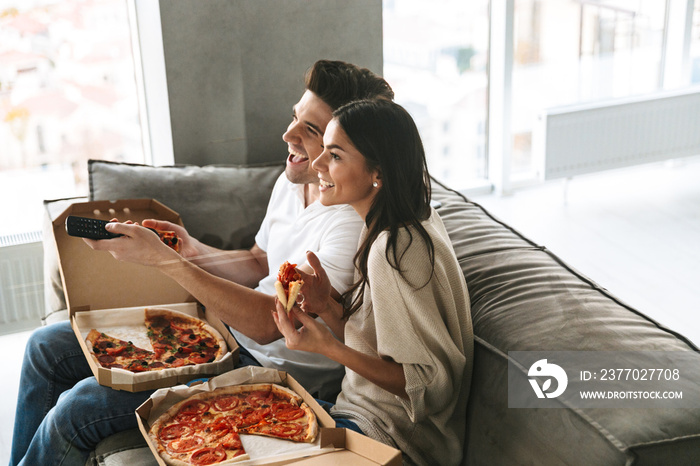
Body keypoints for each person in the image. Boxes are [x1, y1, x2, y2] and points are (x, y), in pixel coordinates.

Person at [10, 60, 394, 466]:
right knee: (44, 347)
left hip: (269, 371)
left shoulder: (349, 225)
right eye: (294, 118)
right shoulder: (292, 181)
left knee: (78, 408)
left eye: (310, 131)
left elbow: (270, 325)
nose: (287, 135)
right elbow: (258, 259)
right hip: (221, 334)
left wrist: (166, 263)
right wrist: (191, 251)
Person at [272, 99, 474, 466]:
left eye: (334, 155)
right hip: (355, 418)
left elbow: (429, 386)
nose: (317, 163)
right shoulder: (394, 225)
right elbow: (381, 347)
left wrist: (327, 348)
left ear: (377, 172)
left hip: (394, 440)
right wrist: (327, 308)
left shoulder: (396, 248)